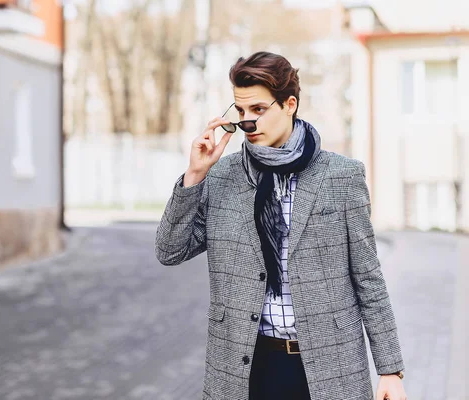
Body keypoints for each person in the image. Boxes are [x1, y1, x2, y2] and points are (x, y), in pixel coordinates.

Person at [155, 52, 407, 400]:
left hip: (330, 366)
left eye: (258, 110)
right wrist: (195, 174)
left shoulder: (342, 176)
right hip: (246, 368)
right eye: (241, 112)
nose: (247, 123)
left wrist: (390, 370)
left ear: (289, 104)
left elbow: (367, 276)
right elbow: (170, 251)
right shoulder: (222, 176)